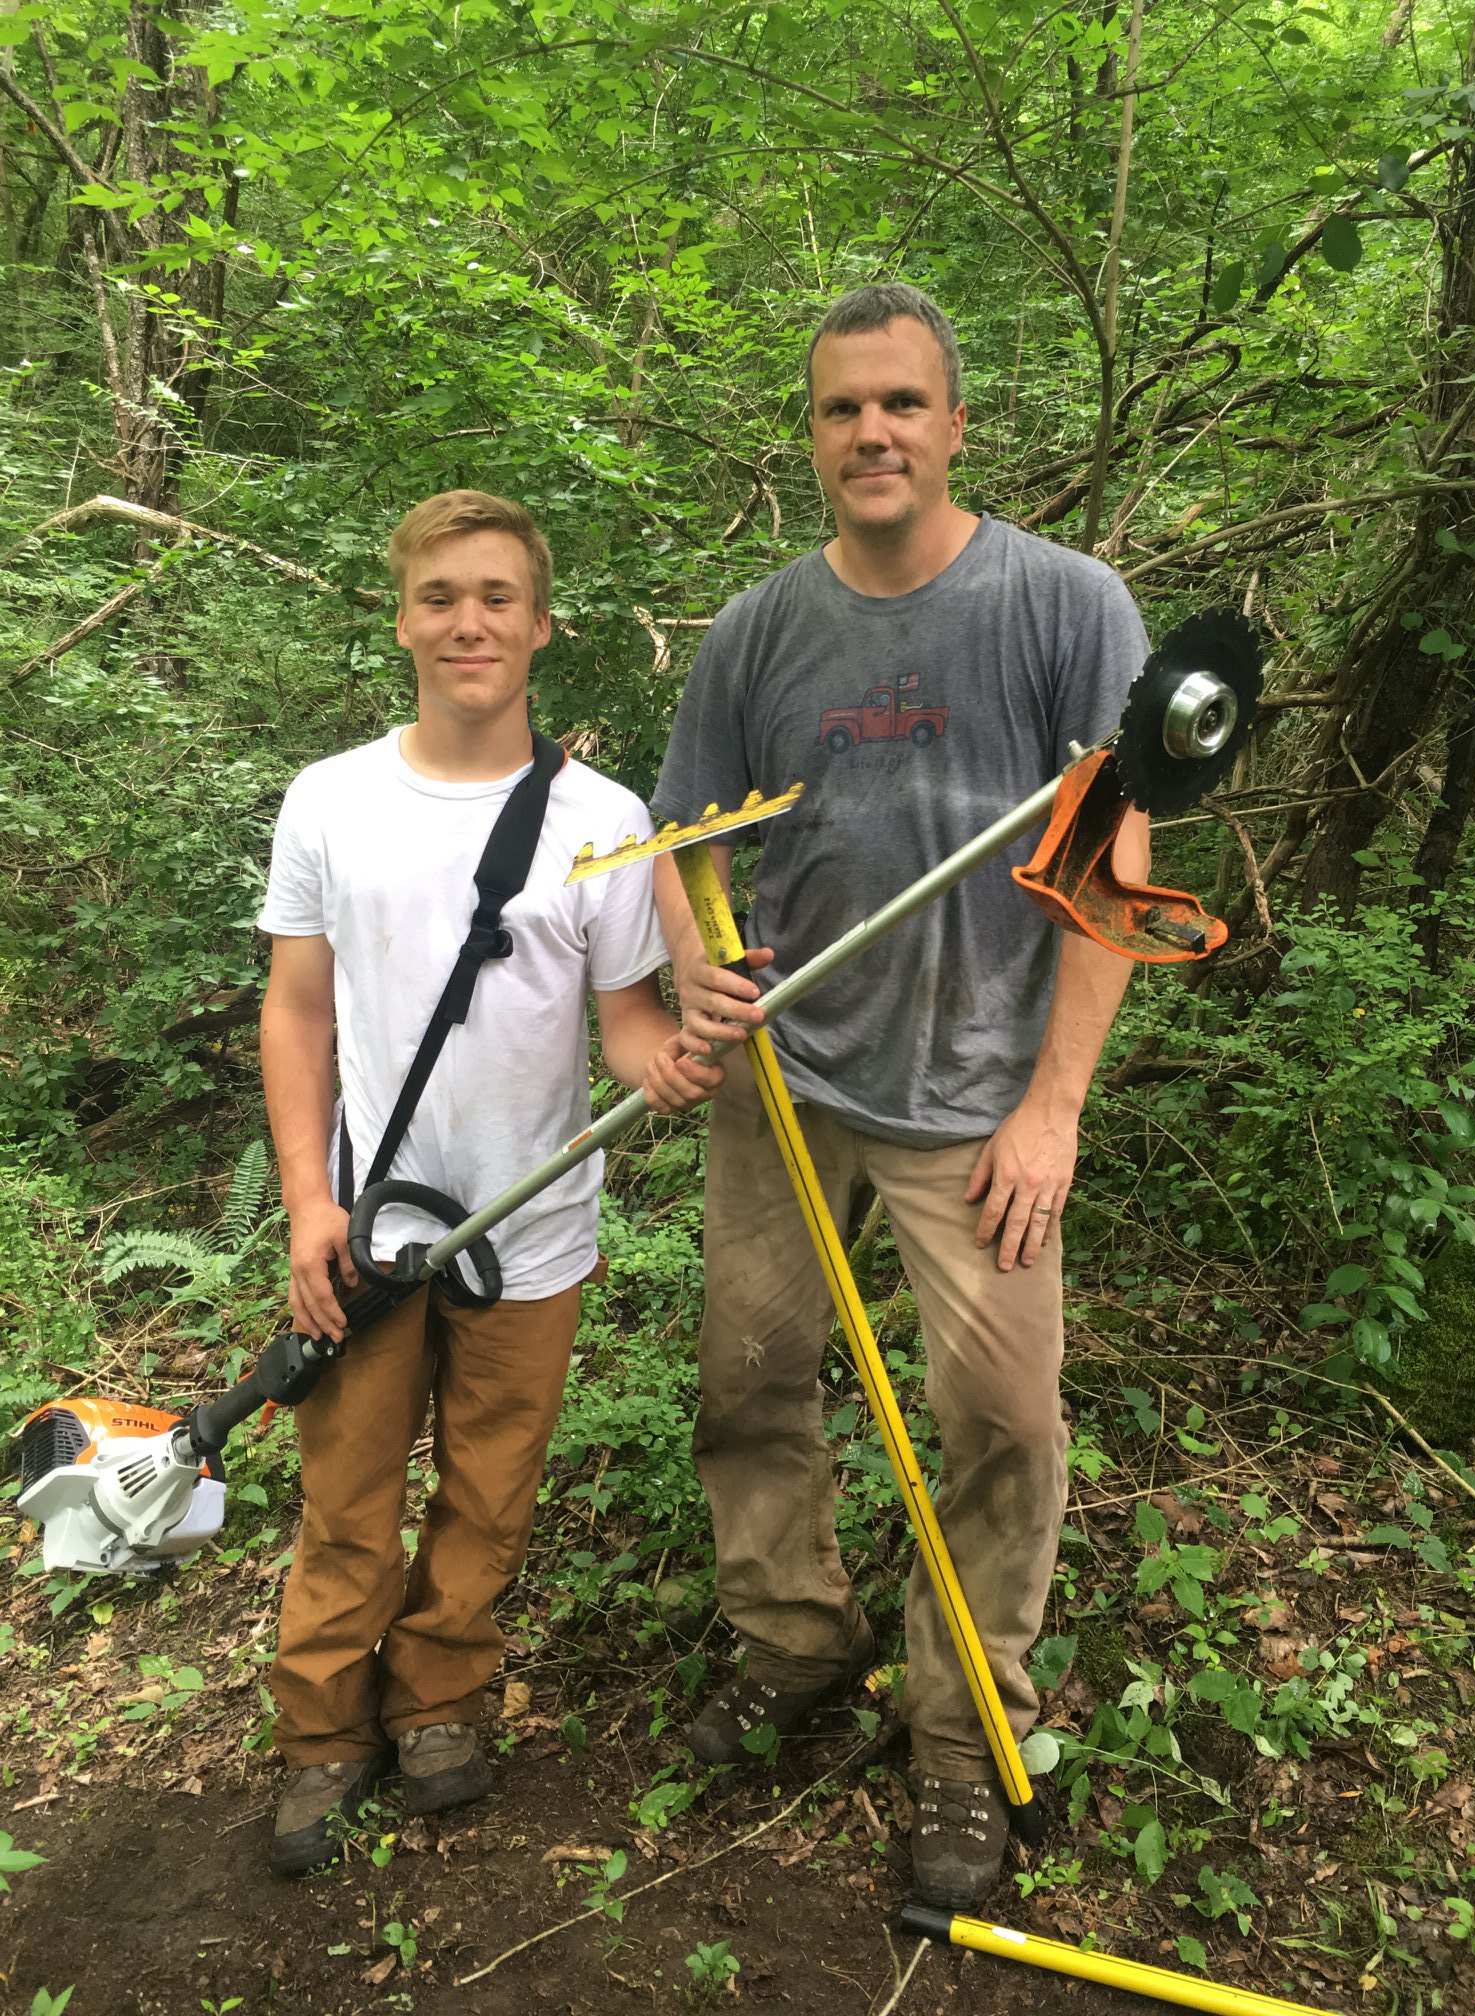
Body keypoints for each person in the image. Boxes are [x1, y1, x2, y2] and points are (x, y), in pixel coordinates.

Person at [651, 284, 1150, 1910]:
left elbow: (1116, 867)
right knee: (748, 1380)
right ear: (811, 436)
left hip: (981, 1100)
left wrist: (1054, 1108)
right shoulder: (757, 630)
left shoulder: (1064, 606)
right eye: (840, 408)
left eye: (900, 404)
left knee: (1003, 1423)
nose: (871, 432)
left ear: (954, 425)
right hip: (787, 1087)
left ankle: (960, 1725)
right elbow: (686, 843)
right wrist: (697, 969)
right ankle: (794, 1638)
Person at [257, 489, 716, 1875]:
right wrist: (308, 1203)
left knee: (490, 1489)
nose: (470, 623)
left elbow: (625, 1019)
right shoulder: (332, 800)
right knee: (348, 1494)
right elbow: (297, 1011)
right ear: (402, 620)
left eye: (497, 598)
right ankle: (323, 1732)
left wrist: (672, 1063)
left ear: (541, 624)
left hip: (537, 1227)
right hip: (372, 1222)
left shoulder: (606, 820)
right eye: (442, 597)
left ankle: (443, 1696)